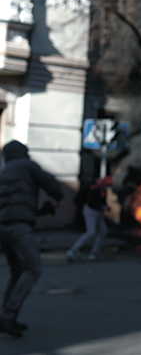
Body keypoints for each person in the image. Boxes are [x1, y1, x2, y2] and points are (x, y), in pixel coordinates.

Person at [0, 140, 64, 338]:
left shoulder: (4, 172)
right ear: (23, 153)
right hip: (19, 227)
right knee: (33, 268)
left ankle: (7, 315)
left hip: (3, 228)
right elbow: (53, 186)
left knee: (18, 271)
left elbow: (13, 205)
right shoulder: (27, 166)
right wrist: (57, 196)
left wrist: (38, 211)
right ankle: (7, 315)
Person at [67, 175, 113, 262]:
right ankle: (73, 250)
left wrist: (103, 206)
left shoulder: (103, 190)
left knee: (103, 231)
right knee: (91, 232)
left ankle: (94, 252)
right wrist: (102, 207)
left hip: (98, 212)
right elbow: (91, 203)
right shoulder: (95, 189)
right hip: (91, 212)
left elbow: (101, 201)